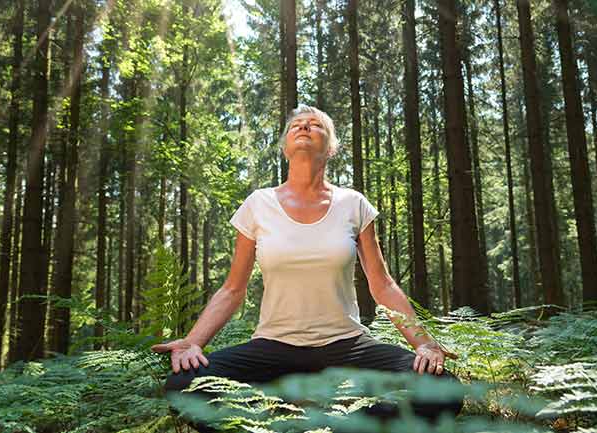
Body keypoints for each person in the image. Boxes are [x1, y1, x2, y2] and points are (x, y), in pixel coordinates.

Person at [153, 105, 463, 431]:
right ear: (286, 147)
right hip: (273, 346)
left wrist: (423, 343)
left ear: (330, 148)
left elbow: (382, 283)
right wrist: (193, 341)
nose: (304, 127)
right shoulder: (259, 204)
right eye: (296, 126)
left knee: (444, 389)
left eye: (315, 125)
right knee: (183, 384)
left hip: (347, 344)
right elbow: (233, 289)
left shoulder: (353, 203)